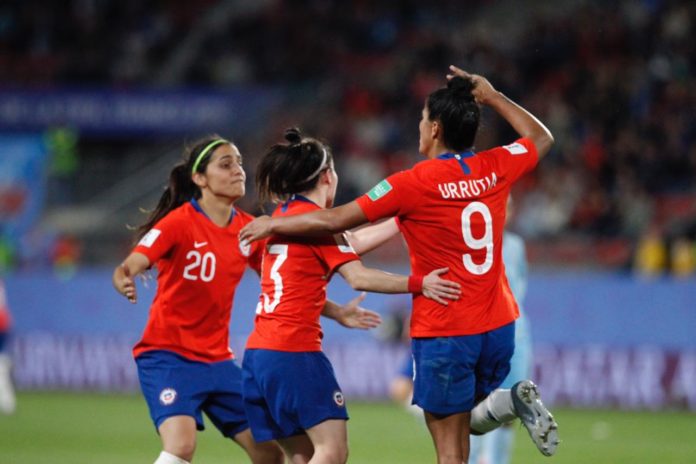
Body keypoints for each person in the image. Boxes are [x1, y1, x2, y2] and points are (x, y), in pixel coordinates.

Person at [239, 67, 559, 463]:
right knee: (466, 420)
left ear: (436, 129)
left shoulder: (410, 183)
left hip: (445, 329)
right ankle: (508, 402)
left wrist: (273, 222)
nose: (419, 126)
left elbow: (336, 222)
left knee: (450, 450)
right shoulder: (496, 166)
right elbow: (542, 137)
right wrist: (492, 95)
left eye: (423, 119)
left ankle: (508, 403)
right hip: (497, 328)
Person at [112, 137, 383, 464]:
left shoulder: (247, 229)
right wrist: (126, 277)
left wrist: (336, 311)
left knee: (269, 454)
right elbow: (133, 263)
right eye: (226, 165)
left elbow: (281, 284)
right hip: (169, 356)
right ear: (199, 179)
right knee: (181, 446)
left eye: (239, 162)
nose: (238, 171)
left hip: (219, 361)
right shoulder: (179, 221)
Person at [241, 128, 462, 464]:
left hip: (259, 356)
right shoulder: (319, 227)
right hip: (293, 352)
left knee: (304, 457)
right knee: (332, 451)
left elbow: (343, 248)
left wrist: (404, 217)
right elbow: (357, 275)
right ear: (328, 175)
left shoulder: (283, 220)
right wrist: (420, 283)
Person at [0, 277, 16, 414]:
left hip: (1, 323)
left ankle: (7, 402)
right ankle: (7, 402)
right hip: (4, 322)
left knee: (1, 365)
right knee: (2, 364)